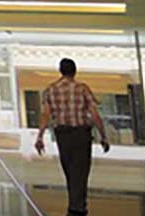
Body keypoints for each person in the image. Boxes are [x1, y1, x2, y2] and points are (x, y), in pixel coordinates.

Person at [34, 57, 110, 216]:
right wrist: (103, 136)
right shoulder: (82, 89)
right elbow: (94, 114)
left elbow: (46, 115)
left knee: (69, 169)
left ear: (60, 71)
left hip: (63, 135)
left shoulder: (50, 90)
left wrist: (40, 137)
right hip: (81, 134)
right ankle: (78, 207)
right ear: (75, 71)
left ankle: (75, 204)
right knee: (81, 170)